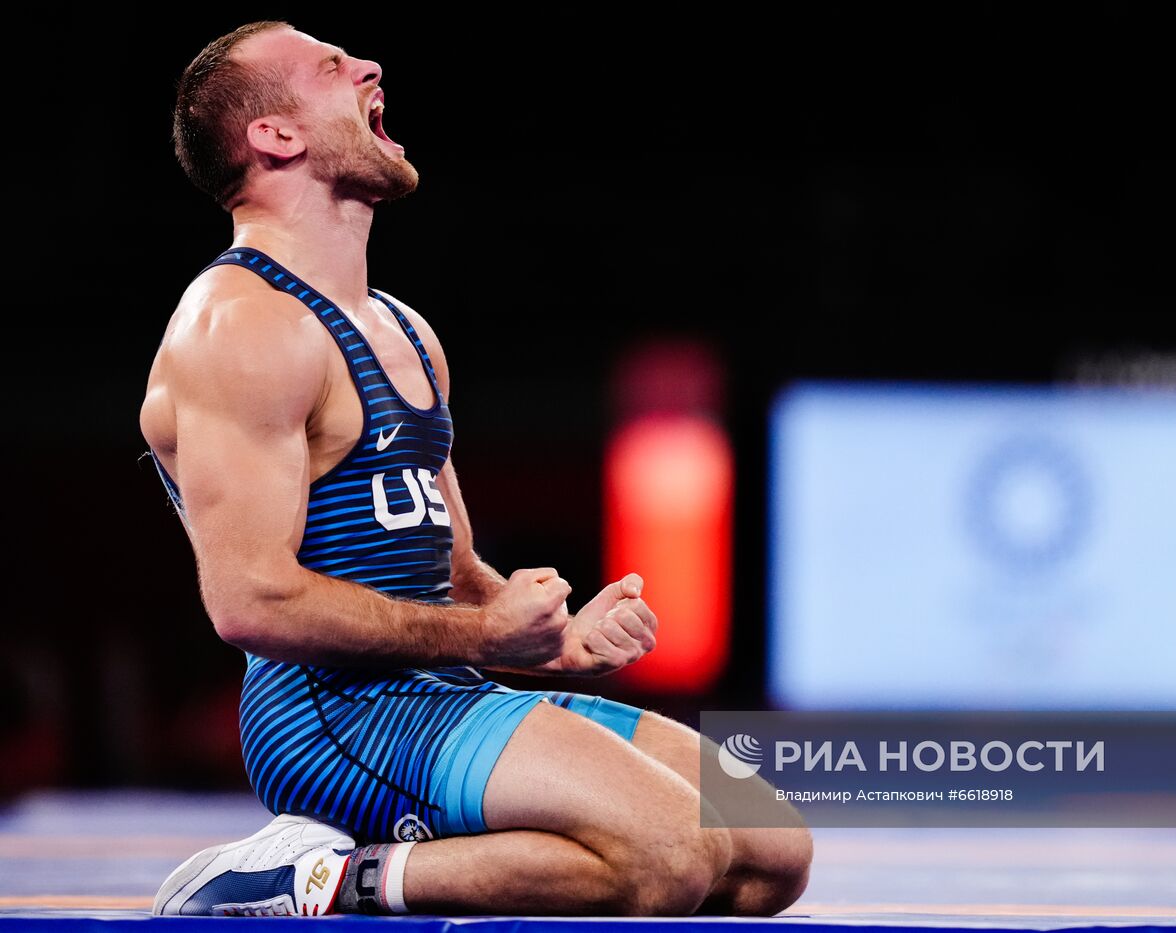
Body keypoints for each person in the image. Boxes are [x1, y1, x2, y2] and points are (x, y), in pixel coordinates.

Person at [140, 20, 811, 918]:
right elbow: (250, 602)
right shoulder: (238, 324)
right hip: (330, 716)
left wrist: (555, 641)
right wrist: (485, 637)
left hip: (443, 691)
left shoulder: (404, 329)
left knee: (772, 848)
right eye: (332, 67)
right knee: (670, 853)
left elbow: (457, 575)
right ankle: (312, 878)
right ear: (275, 135)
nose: (369, 65)